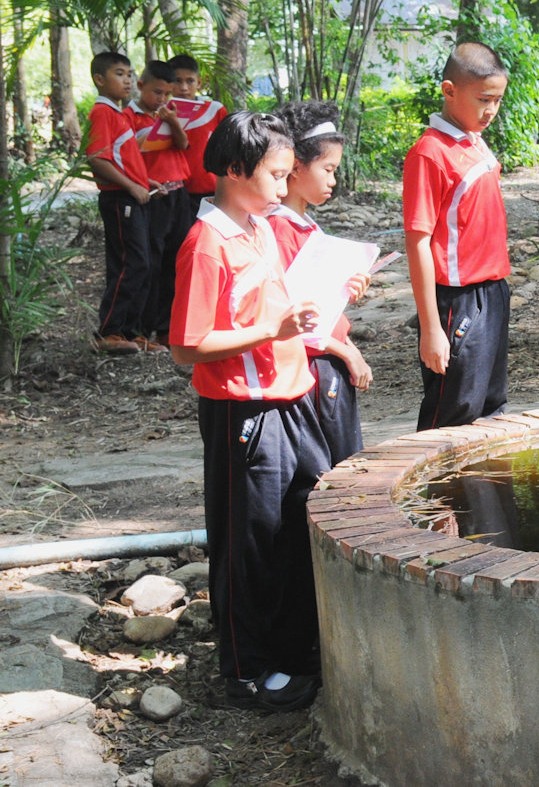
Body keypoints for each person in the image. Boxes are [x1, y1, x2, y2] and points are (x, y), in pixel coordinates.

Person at [168, 111, 325, 711]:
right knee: (248, 542)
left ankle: (294, 650)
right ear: (236, 171)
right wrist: (270, 330)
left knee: (293, 529)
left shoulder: (258, 226)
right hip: (243, 413)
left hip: (291, 399)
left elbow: (276, 303)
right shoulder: (205, 243)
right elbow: (187, 346)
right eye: (277, 176)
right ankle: (247, 670)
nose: (286, 189)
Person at [404, 42, 512, 430]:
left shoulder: (473, 142)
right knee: (452, 410)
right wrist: (431, 327)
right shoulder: (430, 153)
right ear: (449, 90)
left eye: (498, 100)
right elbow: (417, 241)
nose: (491, 110)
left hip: (492, 293)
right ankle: (436, 493)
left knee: (490, 406)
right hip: (457, 301)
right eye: (484, 99)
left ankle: (479, 491)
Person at [269, 100, 372, 468]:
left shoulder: (305, 225)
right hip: (314, 365)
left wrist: (347, 287)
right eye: (328, 169)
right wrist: (347, 351)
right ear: (296, 167)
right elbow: (291, 318)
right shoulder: (278, 230)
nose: (333, 180)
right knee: (332, 472)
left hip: (325, 359)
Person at [84, 51, 160, 355]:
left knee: (142, 264)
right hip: (119, 200)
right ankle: (109, 331)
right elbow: (97, 160)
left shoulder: (117, 113)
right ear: (99, 79)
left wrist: (146, 182)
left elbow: (123, 159)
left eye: (129, 74)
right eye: (119, 73)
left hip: (132, 196)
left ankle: (131, 331)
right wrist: (131, 186)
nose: (127, 79)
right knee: (132, 263)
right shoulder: (102, 112)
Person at [128, 59, 189, 351]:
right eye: (156, 93)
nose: (162, 99)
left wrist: (172, 121)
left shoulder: (168, 113)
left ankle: (166, 329)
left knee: (175, 263)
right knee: (150, 263)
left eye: (167, 93)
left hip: (179, 192)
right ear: (140, 86)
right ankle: (141, 329)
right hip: (154, 196)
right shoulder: (129, 116)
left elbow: (184, 145)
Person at [169, 54, 226, 314]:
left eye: (189, 81)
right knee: (183, 250)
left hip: (213, 193)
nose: (183, 87)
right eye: (177, 81)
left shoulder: (214, 109)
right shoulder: (164, 110)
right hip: (178, 193)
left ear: (199, 82)